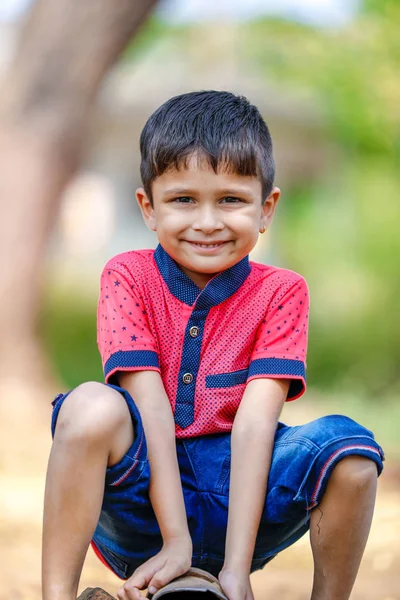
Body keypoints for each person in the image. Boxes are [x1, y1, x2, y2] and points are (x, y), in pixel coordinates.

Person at [42, 91, 384, 600]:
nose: (207, 222)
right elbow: (149, 405)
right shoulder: (127, 277)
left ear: (266, 208)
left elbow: (254, 424)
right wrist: (176, 539)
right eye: (183, 200)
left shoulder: (282, 291)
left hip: (242, 502)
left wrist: (236, 569)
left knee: (352, 452)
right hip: (141, 504)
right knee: (90, 405)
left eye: (230, 199)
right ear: (148, 208)